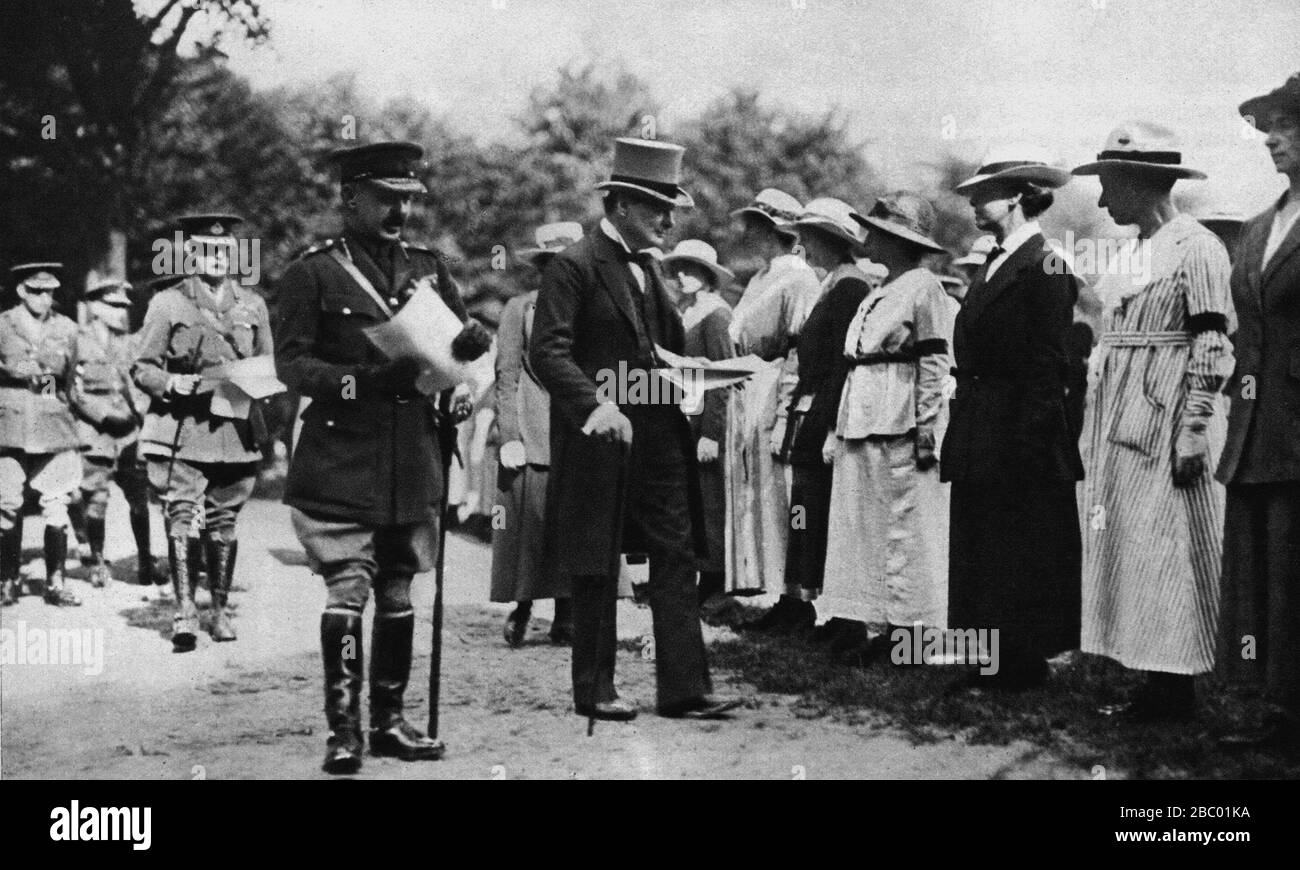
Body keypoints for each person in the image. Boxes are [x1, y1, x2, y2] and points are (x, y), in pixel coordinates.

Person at [275, 141, 491, 773]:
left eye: (408, 199)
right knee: (347, 590)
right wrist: (364, 381)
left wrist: (468, 348)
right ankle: (343, 732)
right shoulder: (311, 272)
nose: (400, 210)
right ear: (351, 198)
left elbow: (453, 356)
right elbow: (292, 365)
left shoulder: (429, 267)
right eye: (387, 198)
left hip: (414, 455)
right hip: (344, 456)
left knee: (399, 593)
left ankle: (390, 722)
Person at [530, 137, 740, 721]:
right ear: (619, 205)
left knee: (675, 556)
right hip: (600, 438)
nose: (669, 221)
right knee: (597, 560)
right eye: (657, 208)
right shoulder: (574, 266)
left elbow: (668, 356)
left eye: (672, 209)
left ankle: (685, 689)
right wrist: (595, 407)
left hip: (659, 439)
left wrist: (711, 379)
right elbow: (547, 352)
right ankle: (594, 689)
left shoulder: (651, 271)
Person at [1072, 122, 1235, 720]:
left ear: (1140, 182)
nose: (1102, 199)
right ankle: (1153, 676)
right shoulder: (1134, 250)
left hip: (1166, 411)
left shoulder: (1198, 247)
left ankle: (1178, 685)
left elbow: (1213, 341)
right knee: (1135, 541)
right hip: (1122, 414)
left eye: (1110, 184)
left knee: (1170, 542)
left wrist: (1195, 423)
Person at [944, 145, 1082, 691]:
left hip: (1020, 427)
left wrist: (1029, 441)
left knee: (1016, 544)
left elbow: (1051, 364)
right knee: (981, 540)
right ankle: (986, 656)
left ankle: (1019, 663)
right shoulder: (993, 261)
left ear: (1024, 197)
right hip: (982, 418)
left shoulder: (1046, 263)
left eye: (988, 194)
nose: (976, 204)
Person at [819, 193, 953, 665]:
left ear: (898, 241)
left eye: (876, 232)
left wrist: (925, 426)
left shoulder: (924, 288)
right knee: (867, 528)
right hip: (863, 416)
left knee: (906, 528)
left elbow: (935, 360)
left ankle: (911, 636)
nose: (868, 238)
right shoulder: (878, 290)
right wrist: (837, 426)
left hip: (899, 417)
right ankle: (873, 625)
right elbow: (855, 362)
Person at [134, 214, 271, 650]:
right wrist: (171, 383)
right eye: (206, 251)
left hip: (235, 426)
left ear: (233, 256)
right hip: (184, 426)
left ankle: (219, 610)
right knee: (181, 517)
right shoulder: (168, 303)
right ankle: (184, 612)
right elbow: (143, 367)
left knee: (224, 521)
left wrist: (261, 384)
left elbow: (268, 363)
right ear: (191, 254)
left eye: (223, 251)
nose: (215, 258)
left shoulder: (252, 305)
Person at [1217, 73, 1300, 749]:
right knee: (1260, 569)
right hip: (1253, 424)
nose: (1271, 139)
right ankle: (1270, 707)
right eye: (1267, 126)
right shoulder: (1256, 227)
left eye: (1286, 125)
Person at [723, 189, 822, 629]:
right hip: (748, 383)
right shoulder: (760, 277)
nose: (751, 233)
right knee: (755, 491)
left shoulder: (798, 277)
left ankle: (796, 597)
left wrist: (786, 407)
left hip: (776, 382)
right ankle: (767, 587)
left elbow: (802, 346)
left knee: (778, 492)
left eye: (759, 225)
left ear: (778, 231)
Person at [774, 198, 873, 639]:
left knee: (817, 508)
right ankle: (796, 596)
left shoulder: (850, 287)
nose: (802, 246)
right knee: (803, 508)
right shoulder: (832, 284)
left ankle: (825, 606)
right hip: (809, 406)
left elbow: (840, 363)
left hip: (825, 408)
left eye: (809, 237)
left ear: (830, 240)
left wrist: (829, 422)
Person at [492, 223, 580, 647]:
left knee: (572, 522)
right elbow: (505, 374)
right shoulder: (520, 308)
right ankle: (524, 605)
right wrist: (509, 433)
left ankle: (567, 612)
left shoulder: (589, 307)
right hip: (534, 424)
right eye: (552, 264)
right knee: (529, 522)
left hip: (579, 426)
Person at [0, 263, 82, 606]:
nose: (44, 298)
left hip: (51, 426)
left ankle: (55, 581)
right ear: (21, 291)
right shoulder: (3, 324)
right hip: (9, 427)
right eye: (36, 291)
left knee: (57, 504)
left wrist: (43, 384)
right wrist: (17, 374)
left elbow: (64, 382)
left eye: (49, 291)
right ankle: (7, 579)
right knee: (6, 504)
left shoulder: (67, 328)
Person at [69, 279, 158, 591]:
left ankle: (146, 559)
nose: (119, 311)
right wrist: (101, 414)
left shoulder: (129, 343)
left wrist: (141, 415)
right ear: (94, 306)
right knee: (96, 500)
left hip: (129, 430)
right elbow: (70, 389)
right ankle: (97, 561)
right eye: (112, 305)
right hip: (95, 430)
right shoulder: (76, 340)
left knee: (138, 499)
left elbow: (139, 382)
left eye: (123, 306)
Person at [661, 239, 734, 612]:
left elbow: (722, 379)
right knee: (689, 503)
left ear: (708, 275)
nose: (683, 275)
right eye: (679, 269)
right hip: (683, 415)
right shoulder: (686, 312)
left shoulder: (716, 315)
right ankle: (690, 578)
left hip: (705, 420)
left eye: (691, 269)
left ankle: (717, 583)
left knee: (710, 503)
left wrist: (711, 433)